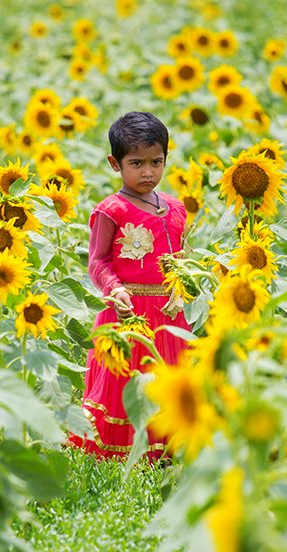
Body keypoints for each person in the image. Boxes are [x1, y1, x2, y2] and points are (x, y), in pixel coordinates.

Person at [68, 111, 189, 461]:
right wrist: (114, 289)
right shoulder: (111, 210)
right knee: (125, 381)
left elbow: (181, 257)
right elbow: (98, 261)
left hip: (169, 313)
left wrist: (187, 284)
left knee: (167, 376)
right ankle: (118, 450)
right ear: (114, 163)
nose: (148, 172)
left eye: (157, 162)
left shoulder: (176, 209)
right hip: (127, 312)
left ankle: (165, 448)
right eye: (136, 163)